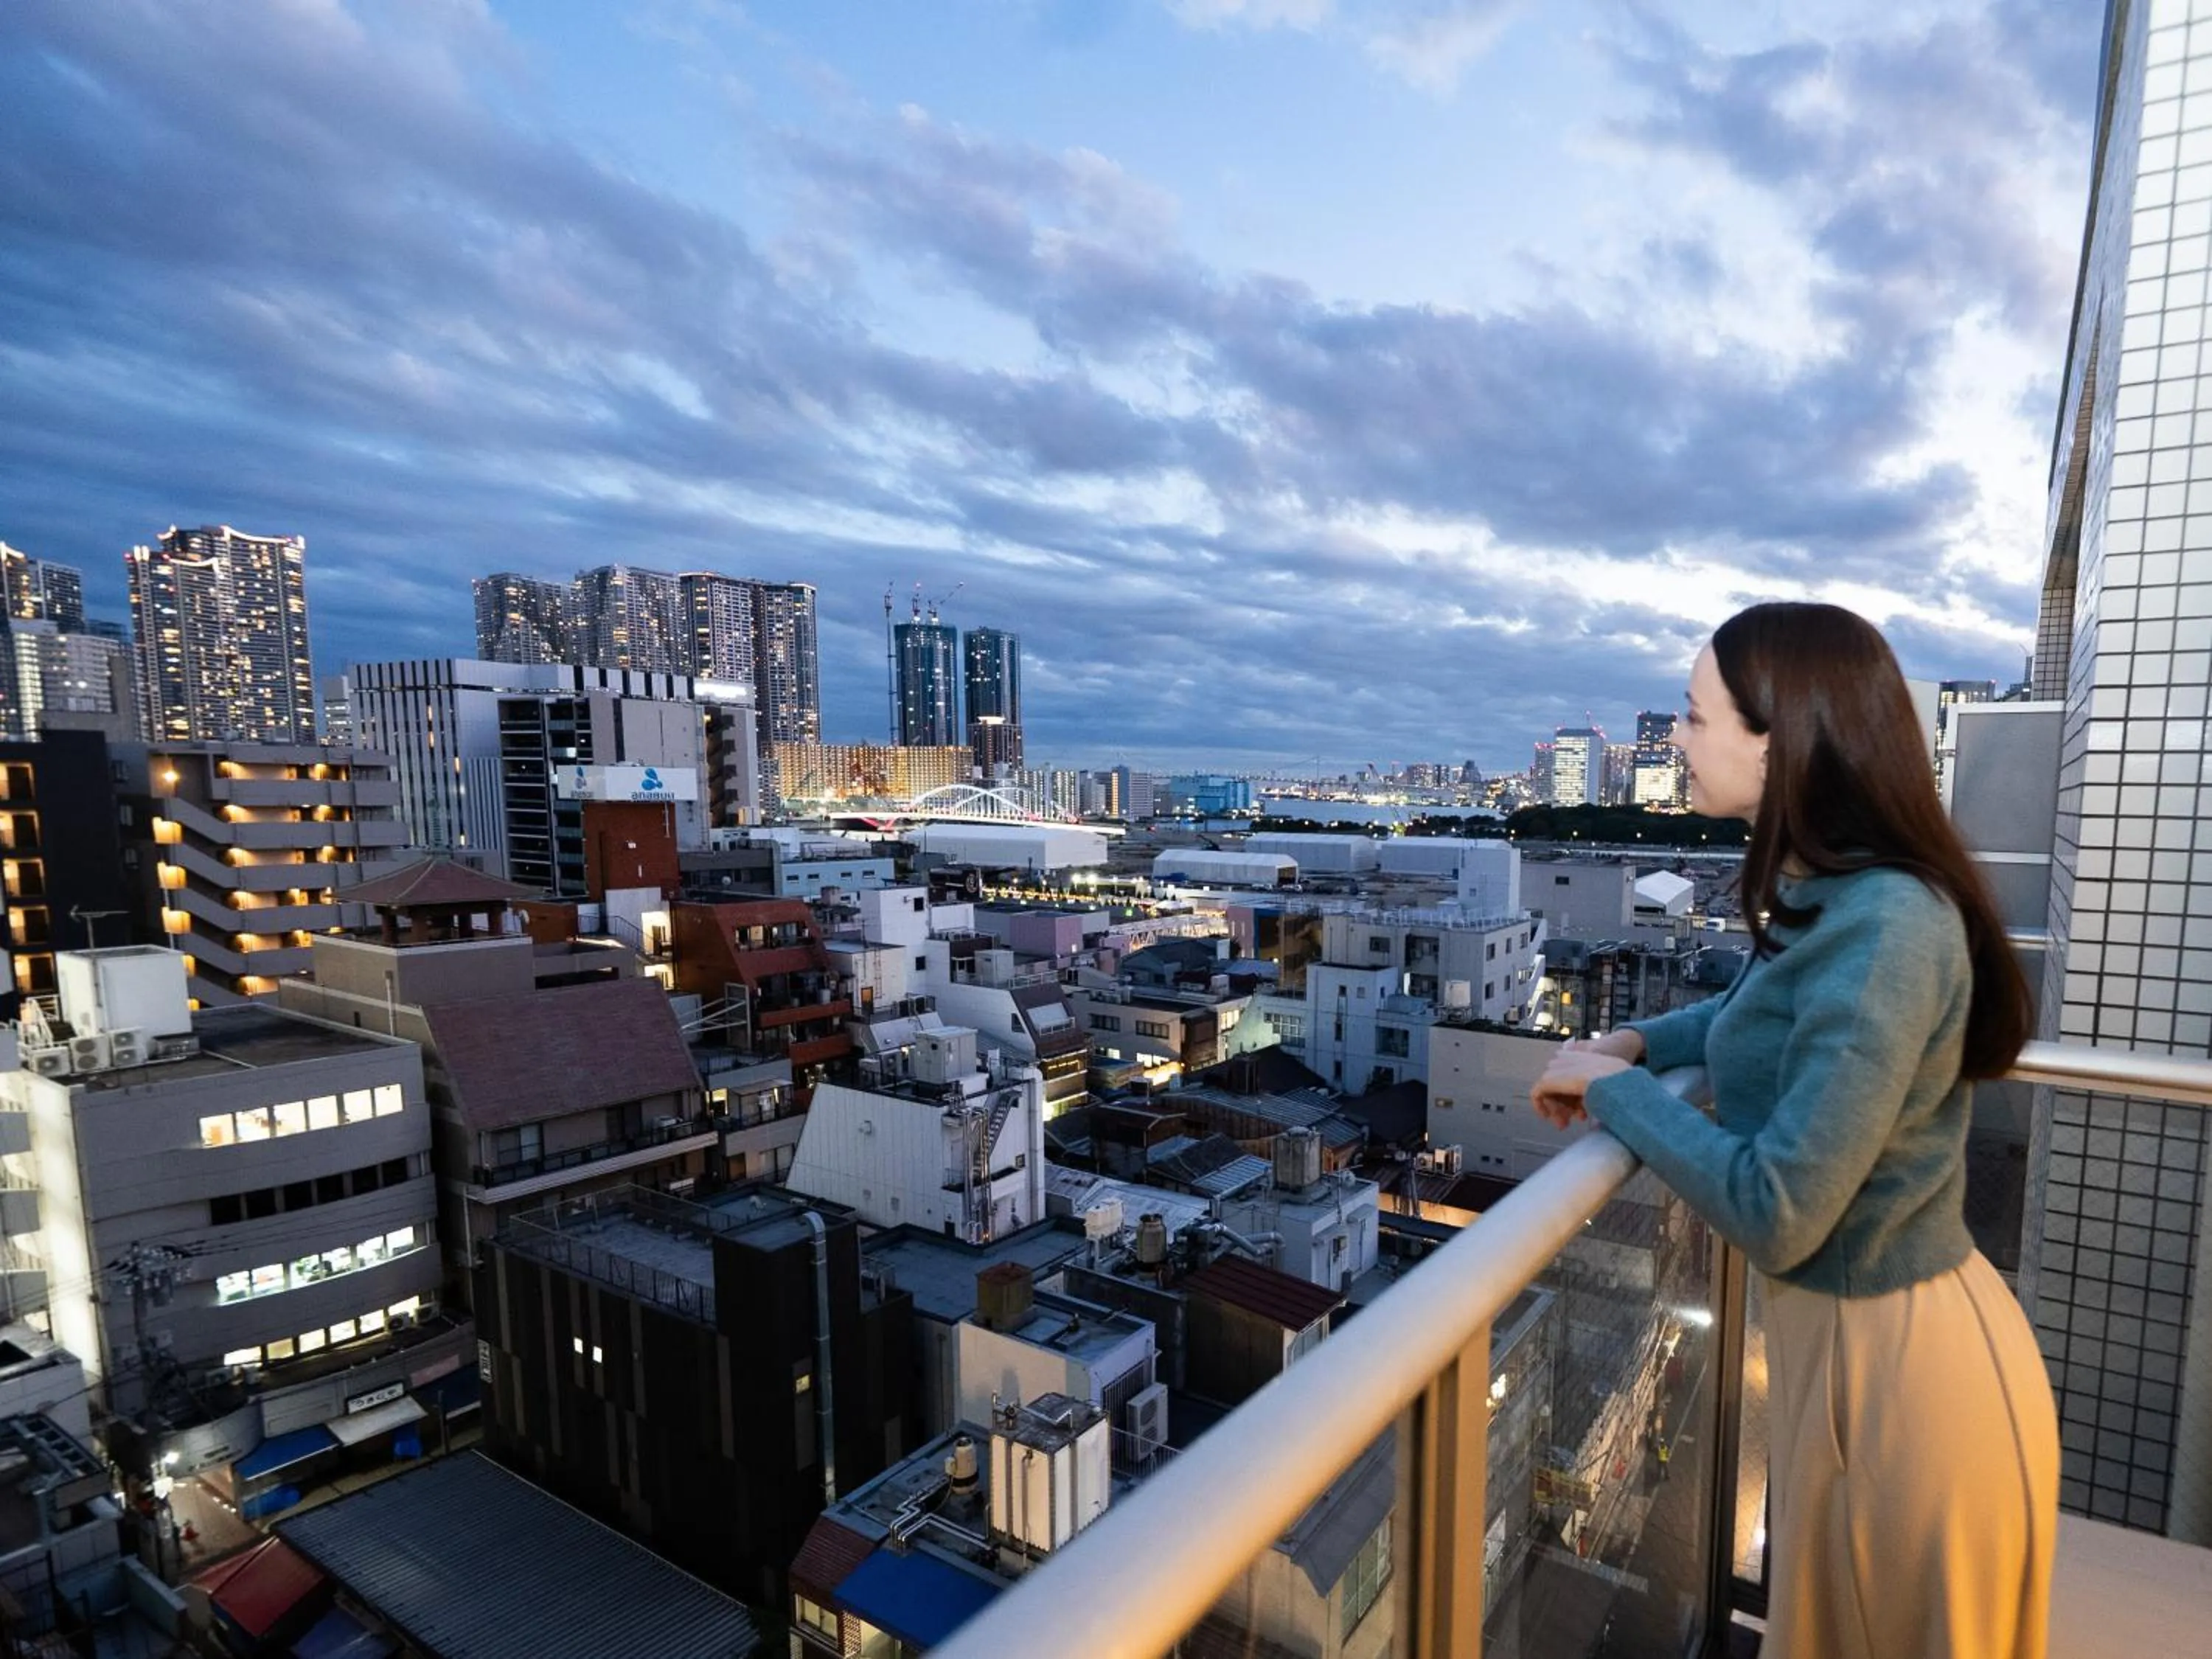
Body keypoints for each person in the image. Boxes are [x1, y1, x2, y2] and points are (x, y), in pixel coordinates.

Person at [1531, 603, 2057, 1659]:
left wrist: (1615, 1094)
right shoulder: (1844, 894)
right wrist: (1633, 1040)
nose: (1676, 741)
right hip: (1856, 1356)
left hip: (1907, 1377)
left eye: (1694, 717)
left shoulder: (1888, 923)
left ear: (1779, 742)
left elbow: (1780, 1208)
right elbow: (1751, 1020)